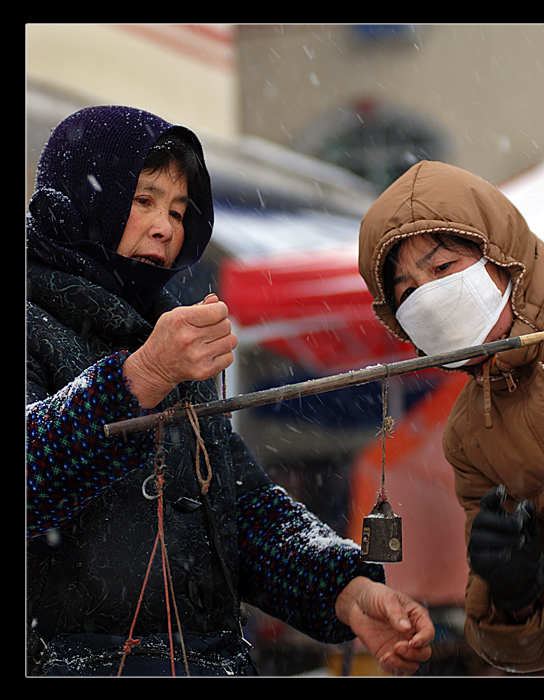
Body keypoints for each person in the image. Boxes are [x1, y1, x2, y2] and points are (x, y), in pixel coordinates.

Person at [26, 105, 434, 677]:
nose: (166, 227)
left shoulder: (170, 337)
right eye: (143, 200)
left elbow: (240, 512)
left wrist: (346, 591)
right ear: (77, 200)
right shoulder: (36, 322)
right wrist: (137, 380)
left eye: (177, 209)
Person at [358, 160, 544, 674]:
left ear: (500, 252)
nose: (429, 297)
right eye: (407, 291)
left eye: (442, 269)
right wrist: (514, 593)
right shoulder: (468, 435)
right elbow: (519, 651)